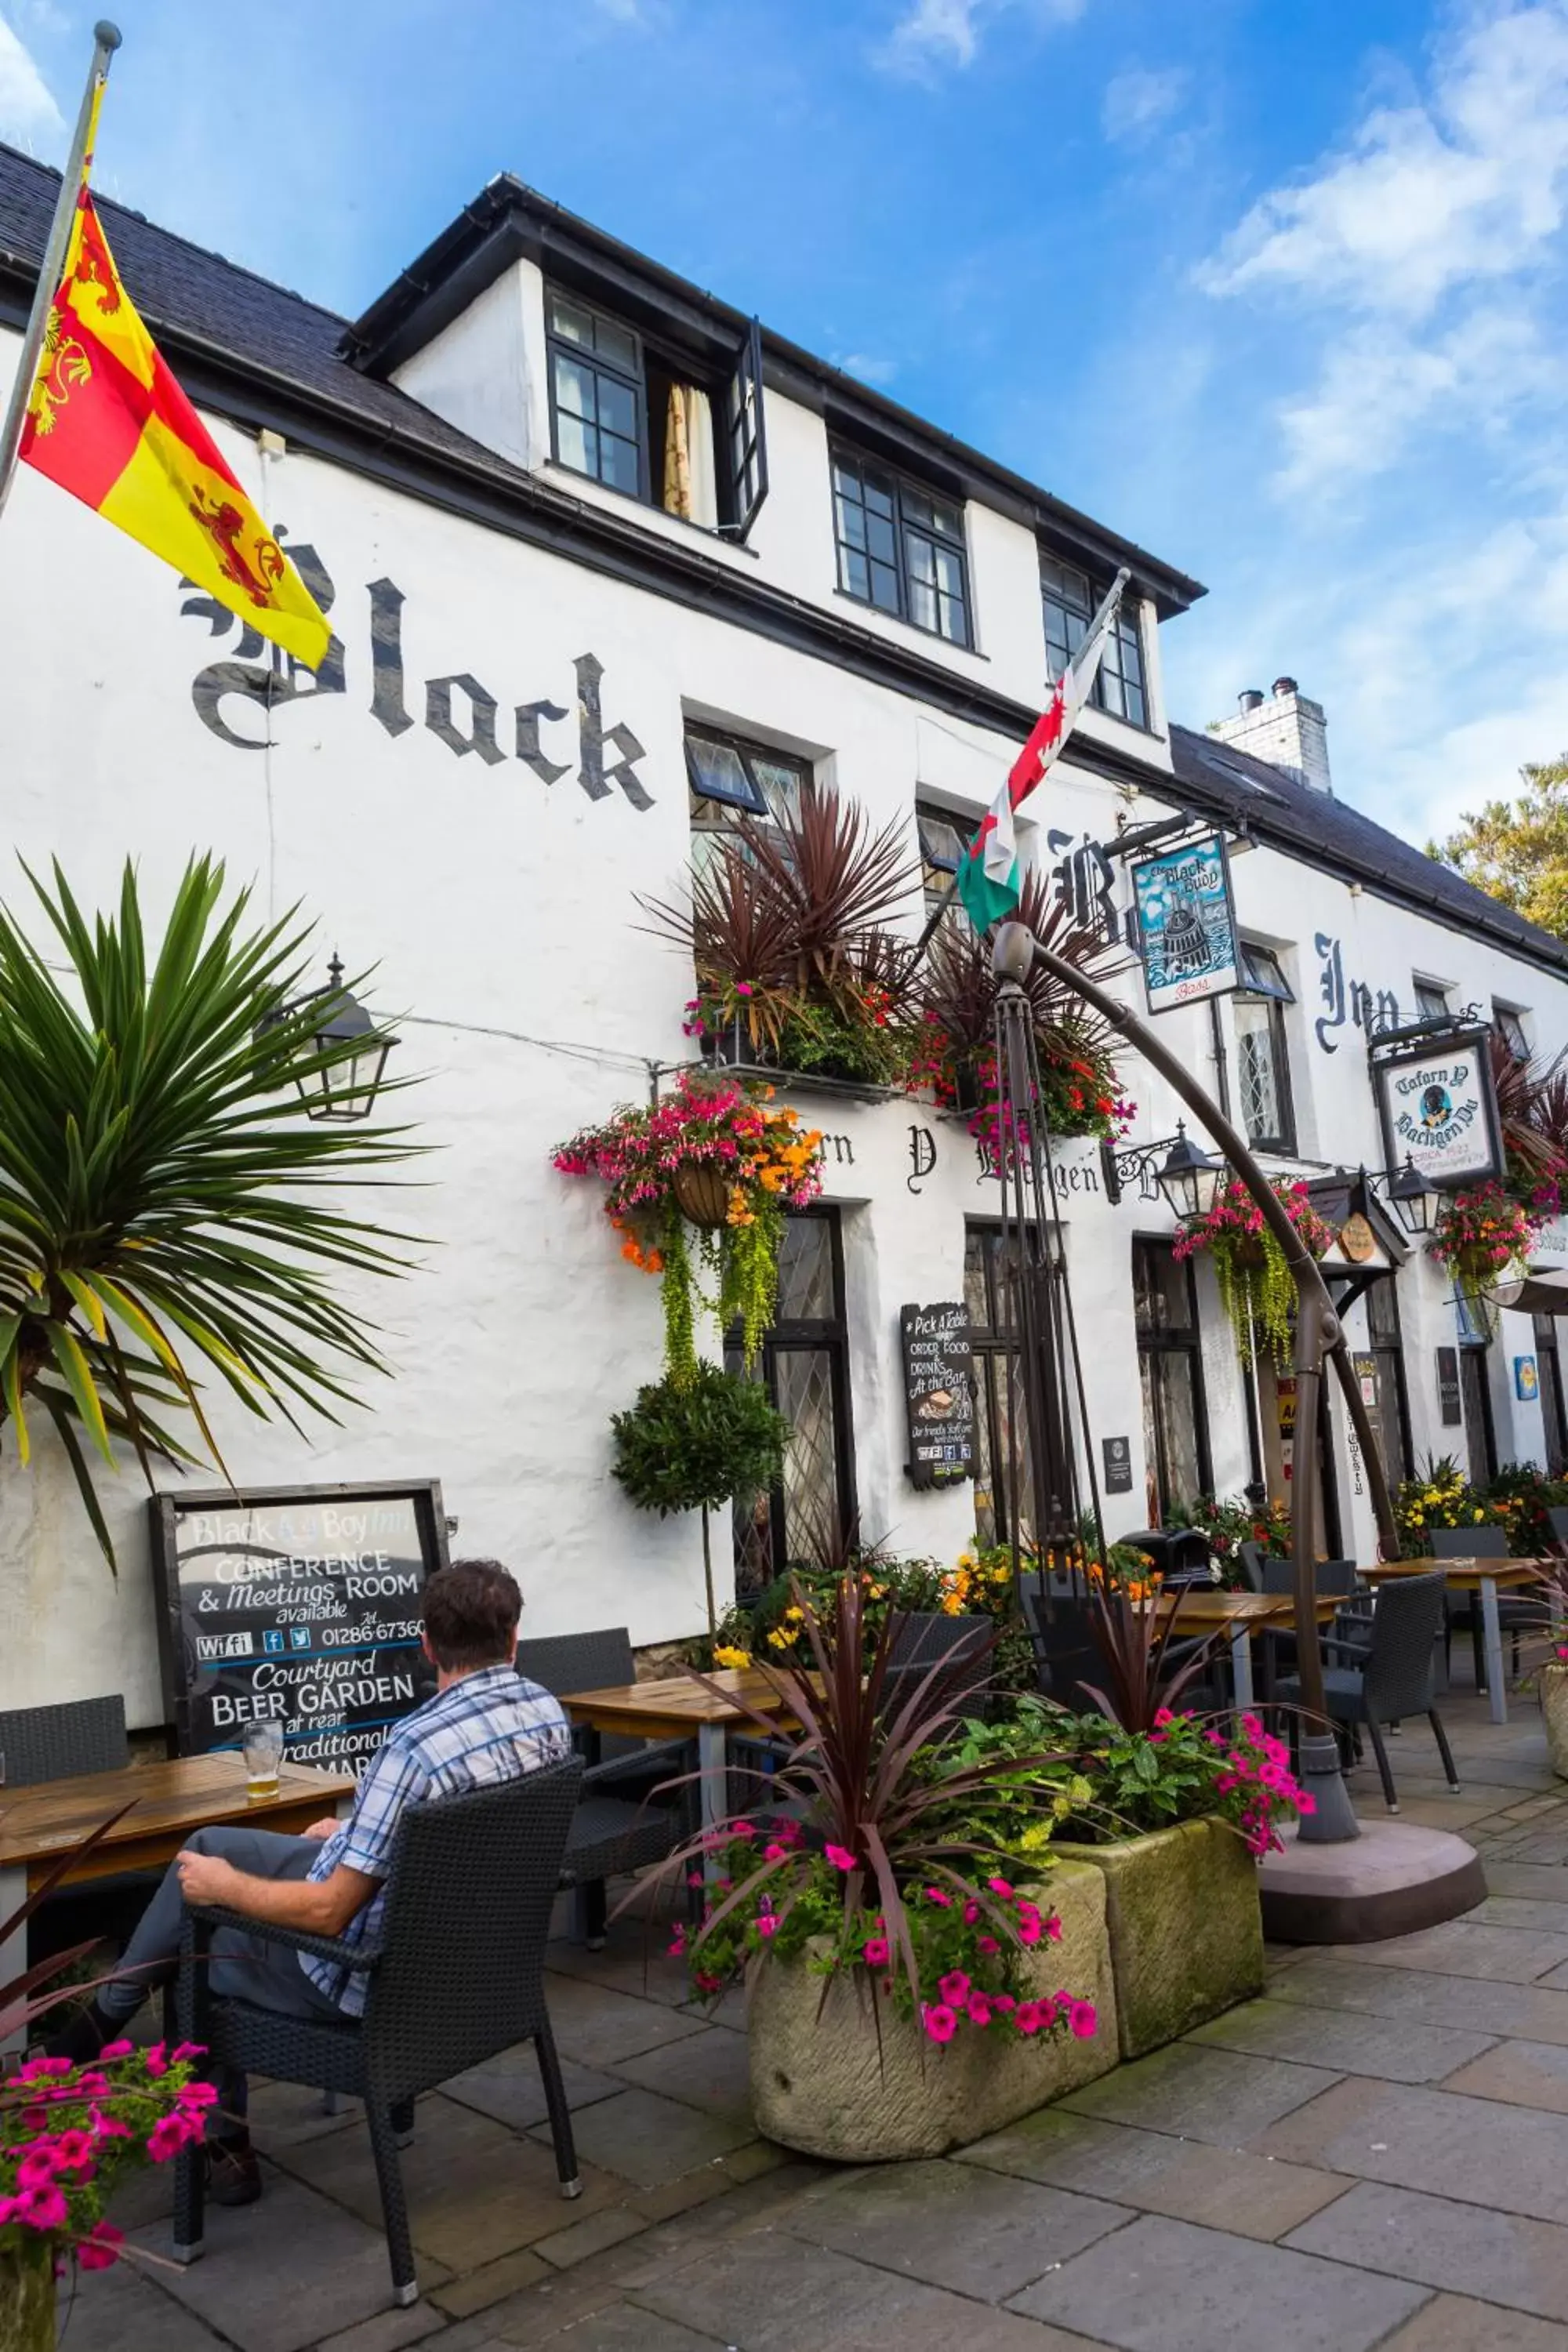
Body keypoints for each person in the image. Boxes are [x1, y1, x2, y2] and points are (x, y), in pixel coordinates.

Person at [52, 1558, 571, 2205]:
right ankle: (103, 2025)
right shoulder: (546, 1713)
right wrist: (352, 1837)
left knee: (198, 1932)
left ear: (427, 1645)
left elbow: (329, 1914)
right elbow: (461, 1845)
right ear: (513, 1638)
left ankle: (208, 2132)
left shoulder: (414, 1747)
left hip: (372, 1978)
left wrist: (225, 1891)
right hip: (479, 1966)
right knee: (208, 1845)